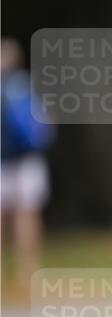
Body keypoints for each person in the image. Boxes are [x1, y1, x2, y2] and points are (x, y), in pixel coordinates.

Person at [1, 37, 53, 287]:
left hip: (11, 159)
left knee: (22, 214)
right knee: (27, 214)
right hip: (27, 159)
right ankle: (28, 269)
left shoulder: (21, 87)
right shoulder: (26, 86)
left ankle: (25, 270)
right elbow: (45, 125)